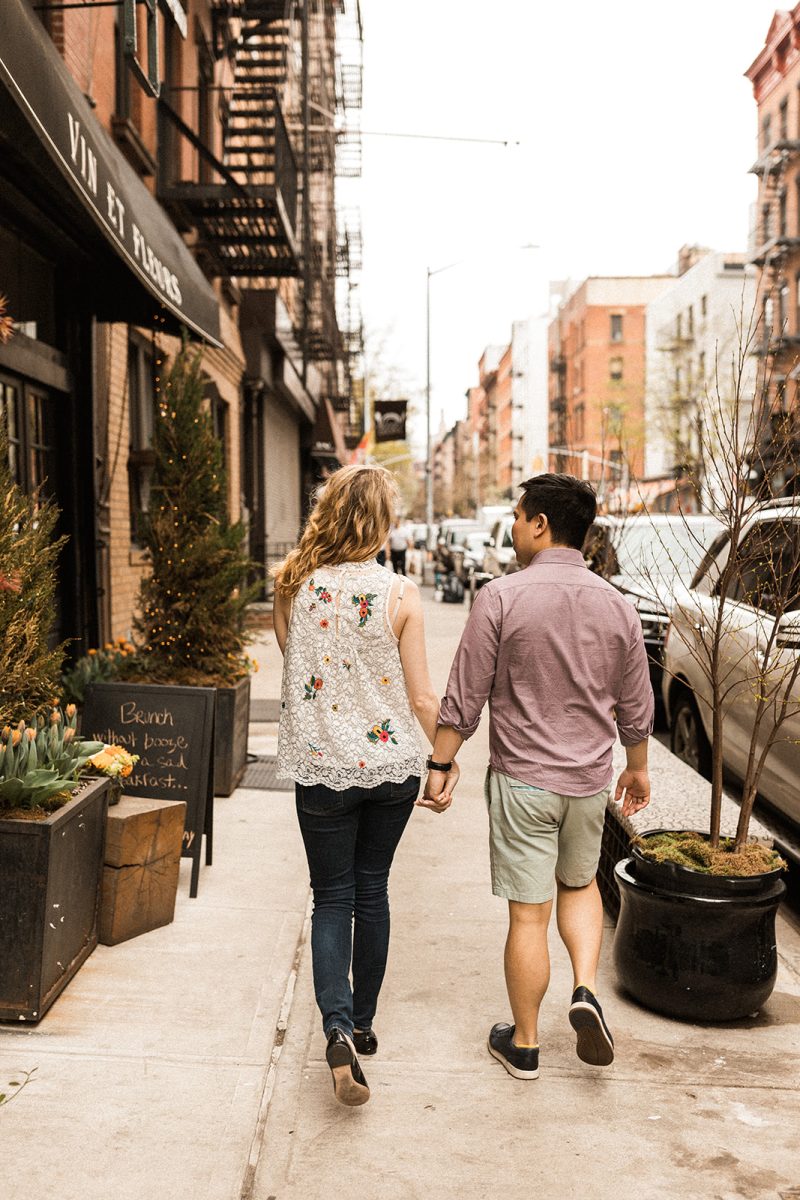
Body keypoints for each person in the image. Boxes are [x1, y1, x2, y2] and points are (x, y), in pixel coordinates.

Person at [417, 473, 653, 1081]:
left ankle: (523, 1045)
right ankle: (583, 990)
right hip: (588, 782)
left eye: (519, 516)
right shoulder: (617, 605)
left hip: (523, 780)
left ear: (541, 524)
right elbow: (635, 703)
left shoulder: (501, 597)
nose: (516, 527)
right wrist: (639, 767)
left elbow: (463, 696)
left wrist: (440, 765)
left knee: (529, 915)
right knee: (580, 888)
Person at [273, 465, 452, 1106]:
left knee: (331, 897)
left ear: (329, 512)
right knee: (371, 890)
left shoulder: (294, 586)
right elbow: (424, 694)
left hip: (322, 767)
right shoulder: (402, 596)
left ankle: (338, 1027)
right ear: (383, 523)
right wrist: (445, 758)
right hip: (391, 768)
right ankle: (365, 1025)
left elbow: (296, 667)